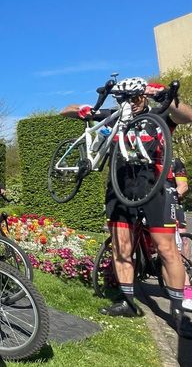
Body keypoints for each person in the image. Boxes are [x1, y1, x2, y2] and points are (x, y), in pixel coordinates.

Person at [60, 77, 192, 336]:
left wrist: (165, 96)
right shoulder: (115, 117)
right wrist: (84, 110)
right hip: (120, 187)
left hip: (155, 186)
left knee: (167, 249)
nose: (132, 103)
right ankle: (129, 302)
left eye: (136, 97)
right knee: (122, 248)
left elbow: (187, 115)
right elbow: (65, 110)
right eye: (125, 99)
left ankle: (178, 312)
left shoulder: (160, 114)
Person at [168, 158, 192, 310]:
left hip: (172, 206)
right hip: (151, 207)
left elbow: (183, 186)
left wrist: (169, 196)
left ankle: (188, 293)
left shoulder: (175, 162)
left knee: (179, 249)